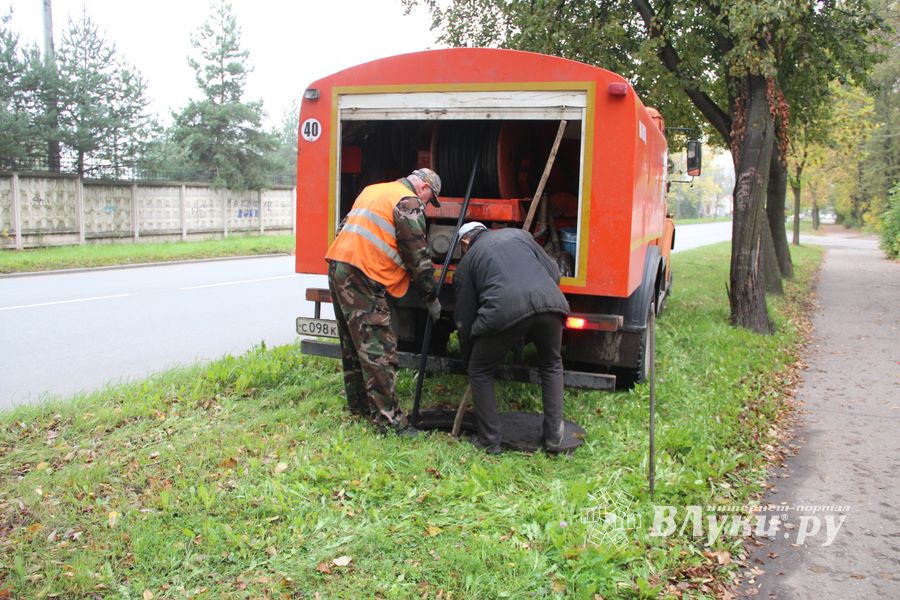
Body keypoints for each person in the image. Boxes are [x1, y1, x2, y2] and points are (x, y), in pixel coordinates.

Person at [325, 168, 443, 433]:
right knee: (378, 348)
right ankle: (390, 423)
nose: (426, 205)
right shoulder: (408, 201)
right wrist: (431, 296)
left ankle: (359, 407)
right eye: (429, 199)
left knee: (354, 344)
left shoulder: (374, 189)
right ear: (423, 188)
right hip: (363, 275)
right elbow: (417, 254)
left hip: (338, 266)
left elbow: (344, 228)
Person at [453, 222, 570, 454]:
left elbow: (464, 321)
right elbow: (554, 273)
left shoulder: (466, 264)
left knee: (480, 370)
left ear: (465, 242)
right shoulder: (520, 235)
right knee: (551, 364)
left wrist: (468, 358)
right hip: (552, 304)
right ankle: (555, 437)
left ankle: (489, 441)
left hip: (504, 311)